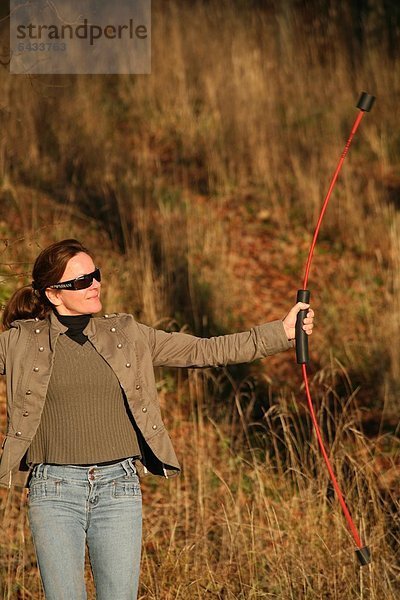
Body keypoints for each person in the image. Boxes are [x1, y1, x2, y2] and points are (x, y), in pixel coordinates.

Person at [0, 238, 314, 600]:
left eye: (95, 275)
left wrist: (281, 332)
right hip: (53, 490)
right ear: (54, 294)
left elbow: (204, 349)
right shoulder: (20, 342)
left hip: (118, 488)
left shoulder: (126, 334)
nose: (94, 284)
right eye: (81, 281)